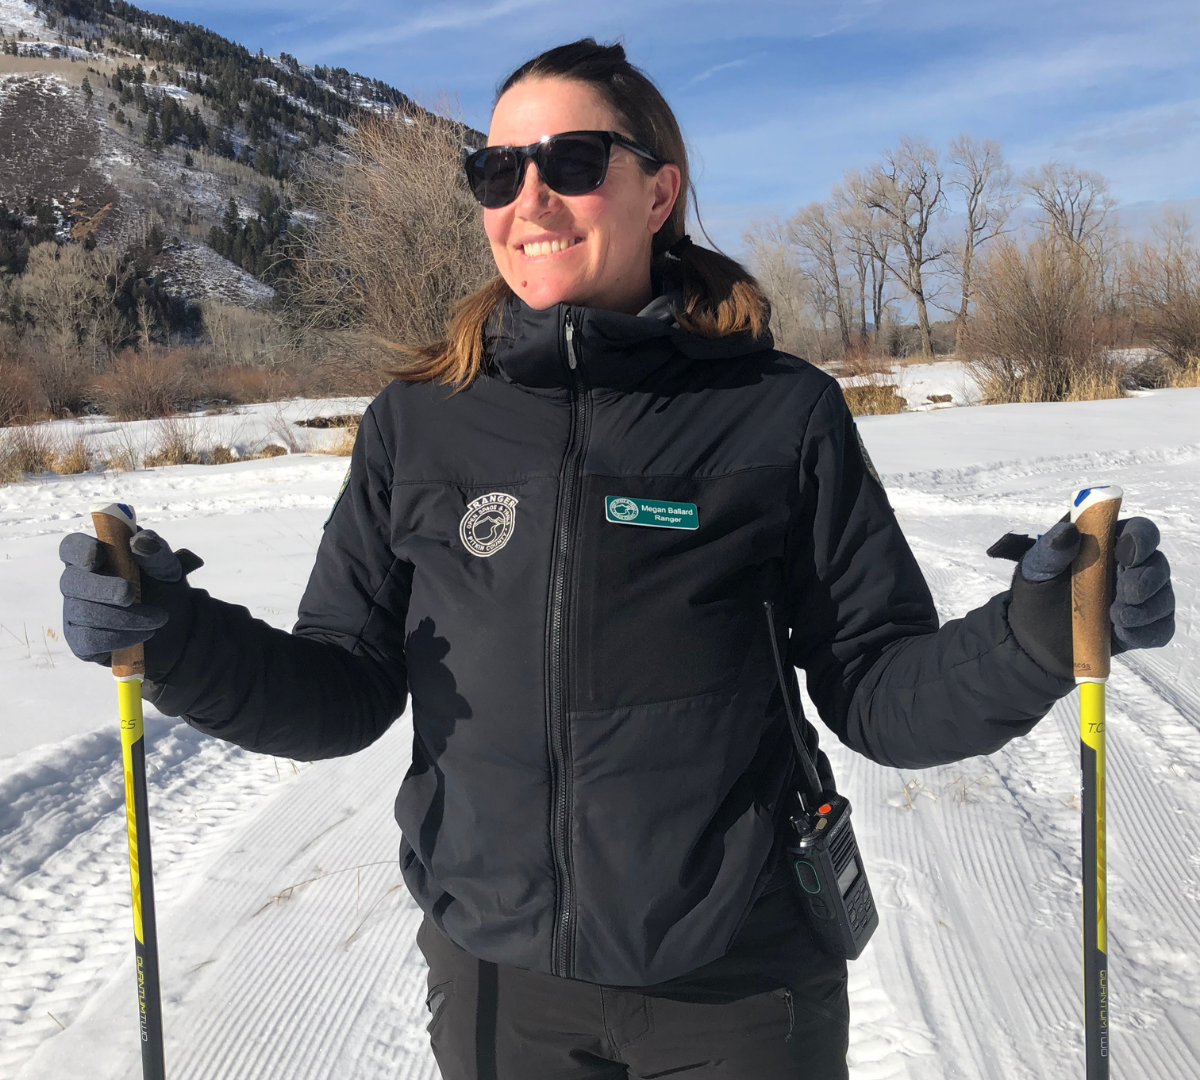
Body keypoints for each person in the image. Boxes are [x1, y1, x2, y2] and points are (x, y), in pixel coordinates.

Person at [59, 39, 1175, 1080]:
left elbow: (880, 690)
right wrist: (174, 635)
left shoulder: (776, 415)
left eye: (571, 162)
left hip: (739, 983)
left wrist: (1036, 635)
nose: (528, 199)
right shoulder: (420, 424)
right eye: (496, 170)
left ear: (659, 190)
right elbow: (338, 691)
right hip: (502, 983)